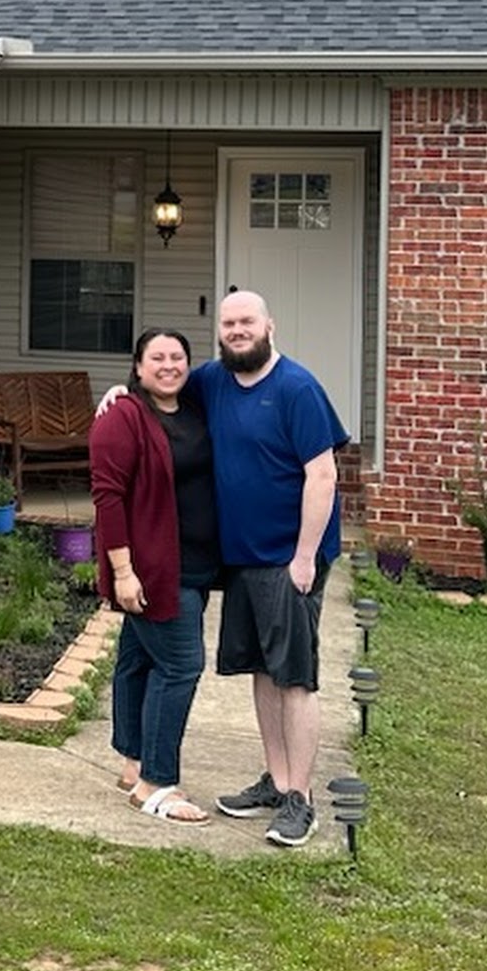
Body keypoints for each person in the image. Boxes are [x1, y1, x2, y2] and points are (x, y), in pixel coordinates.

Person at [200, 290, 350, 848]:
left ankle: (301, 800)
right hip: (242, 557)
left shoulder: (297, 388)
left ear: (270, 326)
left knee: (294, 677)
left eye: (247, 322)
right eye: (229, 324)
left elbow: (323, 476)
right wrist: (122, 392)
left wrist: (305, 556)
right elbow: (160, 388)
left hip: (289, 559)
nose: (238, 331)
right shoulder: (213, 381)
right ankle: (277, 779)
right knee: (262, 671)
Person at [88, 327, 222, 825]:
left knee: (139, 659)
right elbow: (108, 498)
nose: (169, 366)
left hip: (196, 564)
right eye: (157, 358)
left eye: (177, 357)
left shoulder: (194, 408)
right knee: (181, 666)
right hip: (153, 569)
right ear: (138, 367)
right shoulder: (122, 416)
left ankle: (133, 763)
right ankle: (155, 784)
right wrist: (122, 572)